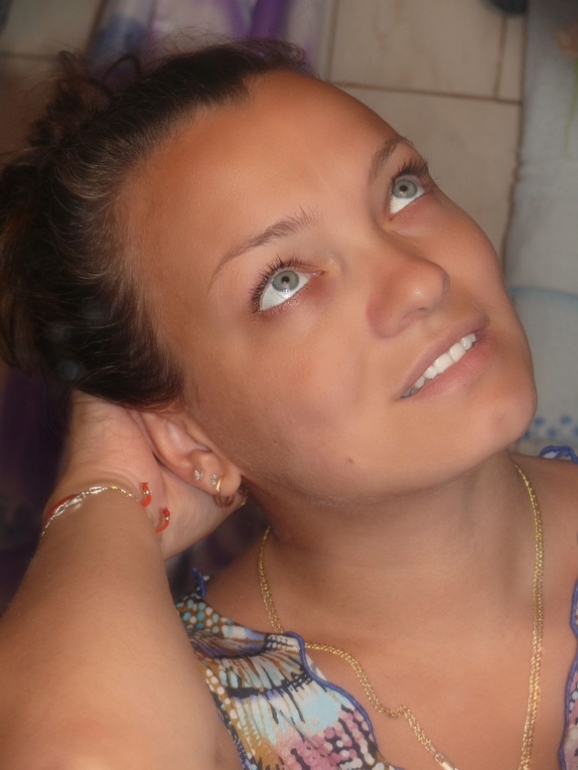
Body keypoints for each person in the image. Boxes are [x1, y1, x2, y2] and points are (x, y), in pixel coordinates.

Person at [0, 38, 576, 770]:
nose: (419, 279)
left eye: (402, 190)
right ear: (188, 439)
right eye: (284, 282)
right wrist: (104, 493)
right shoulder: (195, 707)